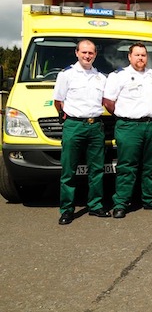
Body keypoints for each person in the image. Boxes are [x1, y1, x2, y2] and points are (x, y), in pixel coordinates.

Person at [103, 43, 152, 218]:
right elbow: (108, 102)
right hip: (129, 126)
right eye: (137, 55)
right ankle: (121, 202)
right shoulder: (118, 76)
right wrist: (124, 115)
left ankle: (151, 199)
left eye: (143, 55)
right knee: (127, 166)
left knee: (151, 165)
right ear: (129, 57)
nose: (141, 58)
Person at [54, 39, 109, 225]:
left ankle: (95, 206)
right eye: (84, 52)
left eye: (91, 53)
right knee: (69, 170)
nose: (87, 56)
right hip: (74, 126)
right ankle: (67, 210)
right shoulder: (66, 75)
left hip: (95, 126)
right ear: (76, 53)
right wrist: (65, 116)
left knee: (97, 170)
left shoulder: (101, 77)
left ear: (95, 55)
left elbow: (105, 101)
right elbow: (58, 101)